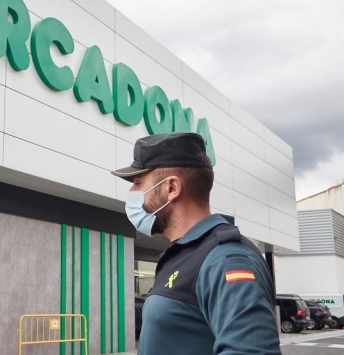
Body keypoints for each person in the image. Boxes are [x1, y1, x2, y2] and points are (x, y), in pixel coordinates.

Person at [112, 133, 280, 354]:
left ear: (171, 188)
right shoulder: (183, 255)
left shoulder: (225, 260)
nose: (132, 193)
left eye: (137, 183)